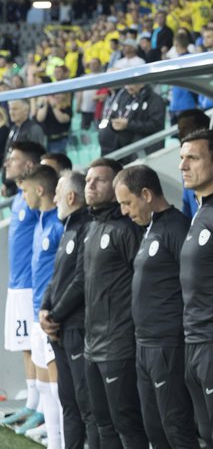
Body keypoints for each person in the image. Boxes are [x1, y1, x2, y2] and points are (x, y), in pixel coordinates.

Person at [114, 165, 197, 449]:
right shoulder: (149, 229)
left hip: (167, 345)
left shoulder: (176, 227)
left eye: (127, 202)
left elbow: (192, 287)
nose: (124, 211)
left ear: (146, 194)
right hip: (144, 345)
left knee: (176, 426)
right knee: (154, 428)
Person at [81, 157, 149, 448]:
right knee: (102, 422)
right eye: (87, 180)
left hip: (118, 345)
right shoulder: (92, 227)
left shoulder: (128, 229)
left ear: (117, 185)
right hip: (91, 345)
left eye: (99, 180)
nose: (91, 186)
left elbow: (144, 282)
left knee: (126, 423)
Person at [178, 129, 213, 449]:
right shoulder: (199, 211)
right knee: (206, 435)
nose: (183, 165)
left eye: (193, 158)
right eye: (181, 158)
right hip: (193, 339)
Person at [39, 170, 95, 449]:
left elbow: (81, 280)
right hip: (59, 329)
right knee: (69, 403)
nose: (55, 198)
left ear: (71, 196)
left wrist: (55, 316)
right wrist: (44, 309)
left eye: (58, 193)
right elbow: (56, 277)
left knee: (86, 405)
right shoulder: (68, 228)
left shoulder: (86, 227)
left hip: (75, 328)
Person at [1, 141, 45, 433]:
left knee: (35, 347)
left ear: (29, 165)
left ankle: (41, 407)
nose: (7, 163)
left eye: (13, 159)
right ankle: (32, 402)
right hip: (17, 285)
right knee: (24, 346)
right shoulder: (19, 195)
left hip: (31, 285)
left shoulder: (34, 199)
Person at [22, 164, 66, 448]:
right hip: (37, 311)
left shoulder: (58, 225)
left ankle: (63, 441)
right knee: (45, 386)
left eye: (25, 191)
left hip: (52, 315)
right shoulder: (39, 220)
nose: (22, 196)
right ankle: (53, 439)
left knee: (58, 386)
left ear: (40, 190)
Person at [98, 83, 166, 159]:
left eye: (131, 84)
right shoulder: (125, 97)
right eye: (126, 84)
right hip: (124, 147)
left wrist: (128, 124)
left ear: (142, 83)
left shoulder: (155, 100)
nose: (128, 87)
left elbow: (155, 125)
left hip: (146, 148)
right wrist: (114, 124)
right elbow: (114, 115)